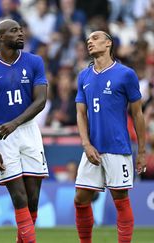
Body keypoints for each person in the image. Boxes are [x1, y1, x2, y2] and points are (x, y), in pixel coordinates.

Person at [0, 19, 49, 243]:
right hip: (1, 135)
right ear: (0, 37)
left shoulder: (35, 62)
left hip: (28, 130)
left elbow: (41, 101)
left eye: (21, 30)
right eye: (14, 31)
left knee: (33, 199)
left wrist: (15, 123)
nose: (20, 34)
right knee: (19, 197)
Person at [74, 31, 146, 243]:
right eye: (88, 39)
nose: (90, 41)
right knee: (80, 199)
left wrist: (141, 151)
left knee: (120, 199)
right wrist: (86, 144)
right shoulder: (84, 76)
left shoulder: (125, 74)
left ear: (108, 44)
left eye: (95, 38)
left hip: (117, 147)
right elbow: (80, 113)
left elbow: (138, 114)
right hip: (92, 149)